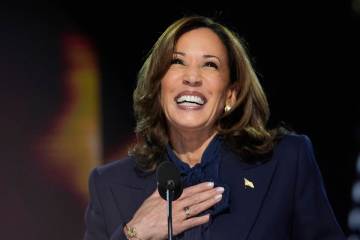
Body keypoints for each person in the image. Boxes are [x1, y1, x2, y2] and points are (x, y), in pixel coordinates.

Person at [84, 16, 346, 240]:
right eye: (177, 61)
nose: (192, 77)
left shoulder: (287, 161)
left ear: (230, 95)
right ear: (157, 86)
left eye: (210, 64)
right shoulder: (109, 184)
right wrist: (135, 233)